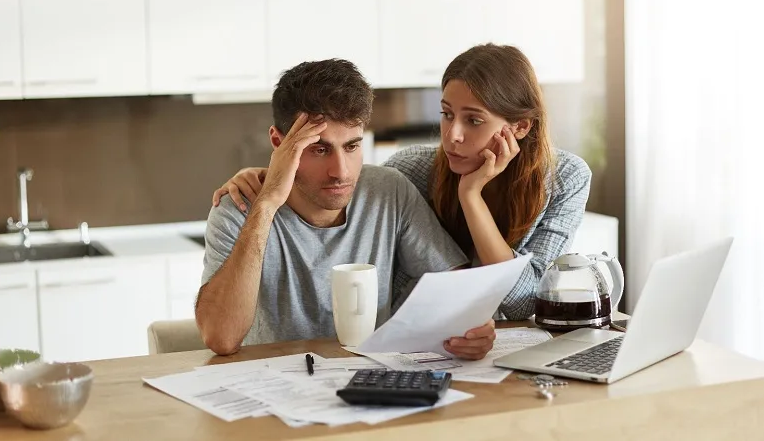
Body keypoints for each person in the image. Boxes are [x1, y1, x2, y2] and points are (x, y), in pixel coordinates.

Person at [212, 43, 592, 320]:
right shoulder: (410, 170)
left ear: (520, 126)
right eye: (446, 115)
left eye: (473, 121)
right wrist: (270, 178)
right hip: (424, 342)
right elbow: (338, 185)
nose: (452, 135)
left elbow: (523, 301)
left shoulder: (565, 179)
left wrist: (470, 196)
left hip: (496, 340)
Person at [195, 58, 497, 358]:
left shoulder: (388, 190)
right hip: (275, 385)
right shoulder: (238, 207)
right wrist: (267, 204)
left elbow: (458, 291)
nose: (340, 171)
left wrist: (472, 329)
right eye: (319, 149)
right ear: (278, 142)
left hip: (371, 381)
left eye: (352, 146)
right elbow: (221, 338)